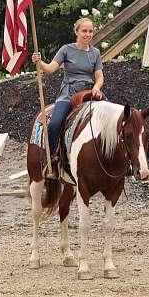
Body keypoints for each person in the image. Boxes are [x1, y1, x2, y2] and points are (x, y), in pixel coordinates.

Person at [32, 17, 105, 179]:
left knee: (111, 120)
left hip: (88, 95)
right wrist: (39, 62)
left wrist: (96, 87)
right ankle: (51, 157)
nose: (88, 34)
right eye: (84, 31)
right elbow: (50, 69)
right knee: (55, 124)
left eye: (90, 31)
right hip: (68, 94)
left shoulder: (95, 53)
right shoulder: (66, 49)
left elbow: (99, 77)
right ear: (76, 32)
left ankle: (109, 158)